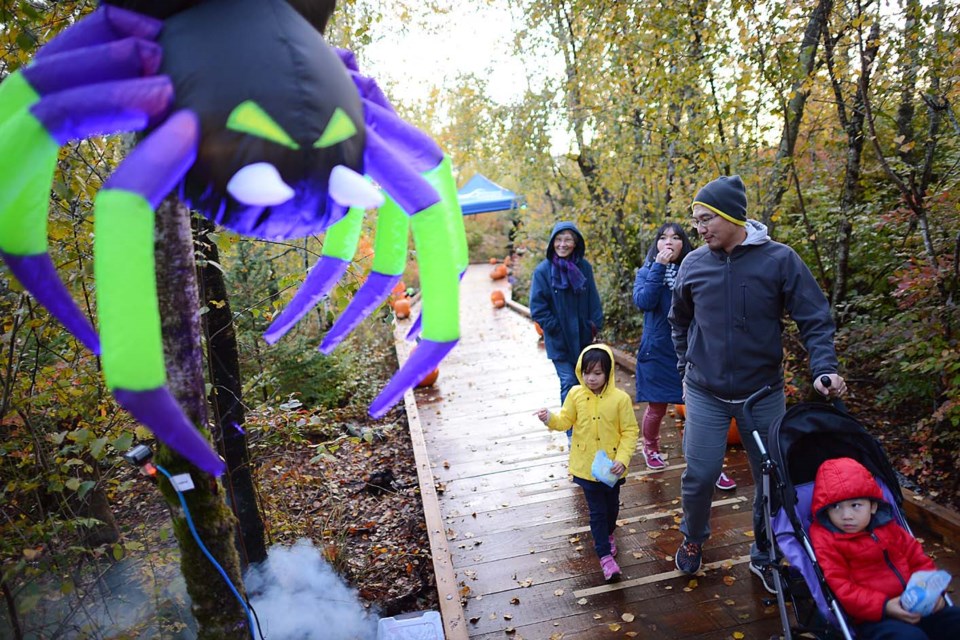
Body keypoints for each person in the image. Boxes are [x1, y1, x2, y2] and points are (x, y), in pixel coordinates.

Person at [669, 175, 847, 593]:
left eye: (704, 218)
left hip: (762, 394)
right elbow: (678, 320)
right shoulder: (694, 264)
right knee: (701, 472)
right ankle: (693, 538)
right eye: (695, 220)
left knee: (771, 477)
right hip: (705, 391)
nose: (699, 228)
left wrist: (824, 367)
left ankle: (764, 554)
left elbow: (814, 318)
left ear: (731, 215)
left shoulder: (780, 260)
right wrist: (684, 366)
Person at [632, 222, 737, 488]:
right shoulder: (646, 272)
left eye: (676, 237)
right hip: (657, 349)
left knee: (700, 410)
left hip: (692, 350)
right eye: (663, 237)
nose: (669, 242)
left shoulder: (695, 269)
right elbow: (644, 302)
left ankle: (709, 466)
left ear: (684, 244)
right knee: (657, 406)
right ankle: (651, 447)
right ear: (656, 243)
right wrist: (658, 267)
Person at [810, 457, 960, 639]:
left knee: (954, 619)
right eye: (835, 507)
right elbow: (842, 588)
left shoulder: (889, 527)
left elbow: (918, 561)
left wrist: (934, 594)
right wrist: (885, 606)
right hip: (874, 616)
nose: (846, 515)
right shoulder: (828, 541)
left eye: (855, 505)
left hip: (916, 602)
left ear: (873, 506)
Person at [536, 344, 638, 581]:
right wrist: (549, 418)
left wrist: (622, 460)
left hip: (612, 468)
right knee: (597, 512)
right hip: (585, 467)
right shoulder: (575, 394)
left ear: (608, 373)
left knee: (612, 508)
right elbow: (564, 421)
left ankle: (608, 534)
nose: (590, 378)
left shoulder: (620, 399)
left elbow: (630, 431)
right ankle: (604, 556)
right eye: (586, 372)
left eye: (597, 373)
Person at [529, 222, 604, 423]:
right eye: (559, 240)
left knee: (587, 382)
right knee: (569, 381)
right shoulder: (543, 271)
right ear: (552, 243)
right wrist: (554, 328)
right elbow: (537, 307)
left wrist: (594, 324)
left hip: (583, 337)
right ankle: (571, 431)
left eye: (568, 239)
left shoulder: (584, 267)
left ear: (575, 243)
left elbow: (593, 299)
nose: (563, 244)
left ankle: (589, 426)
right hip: (559, 340)